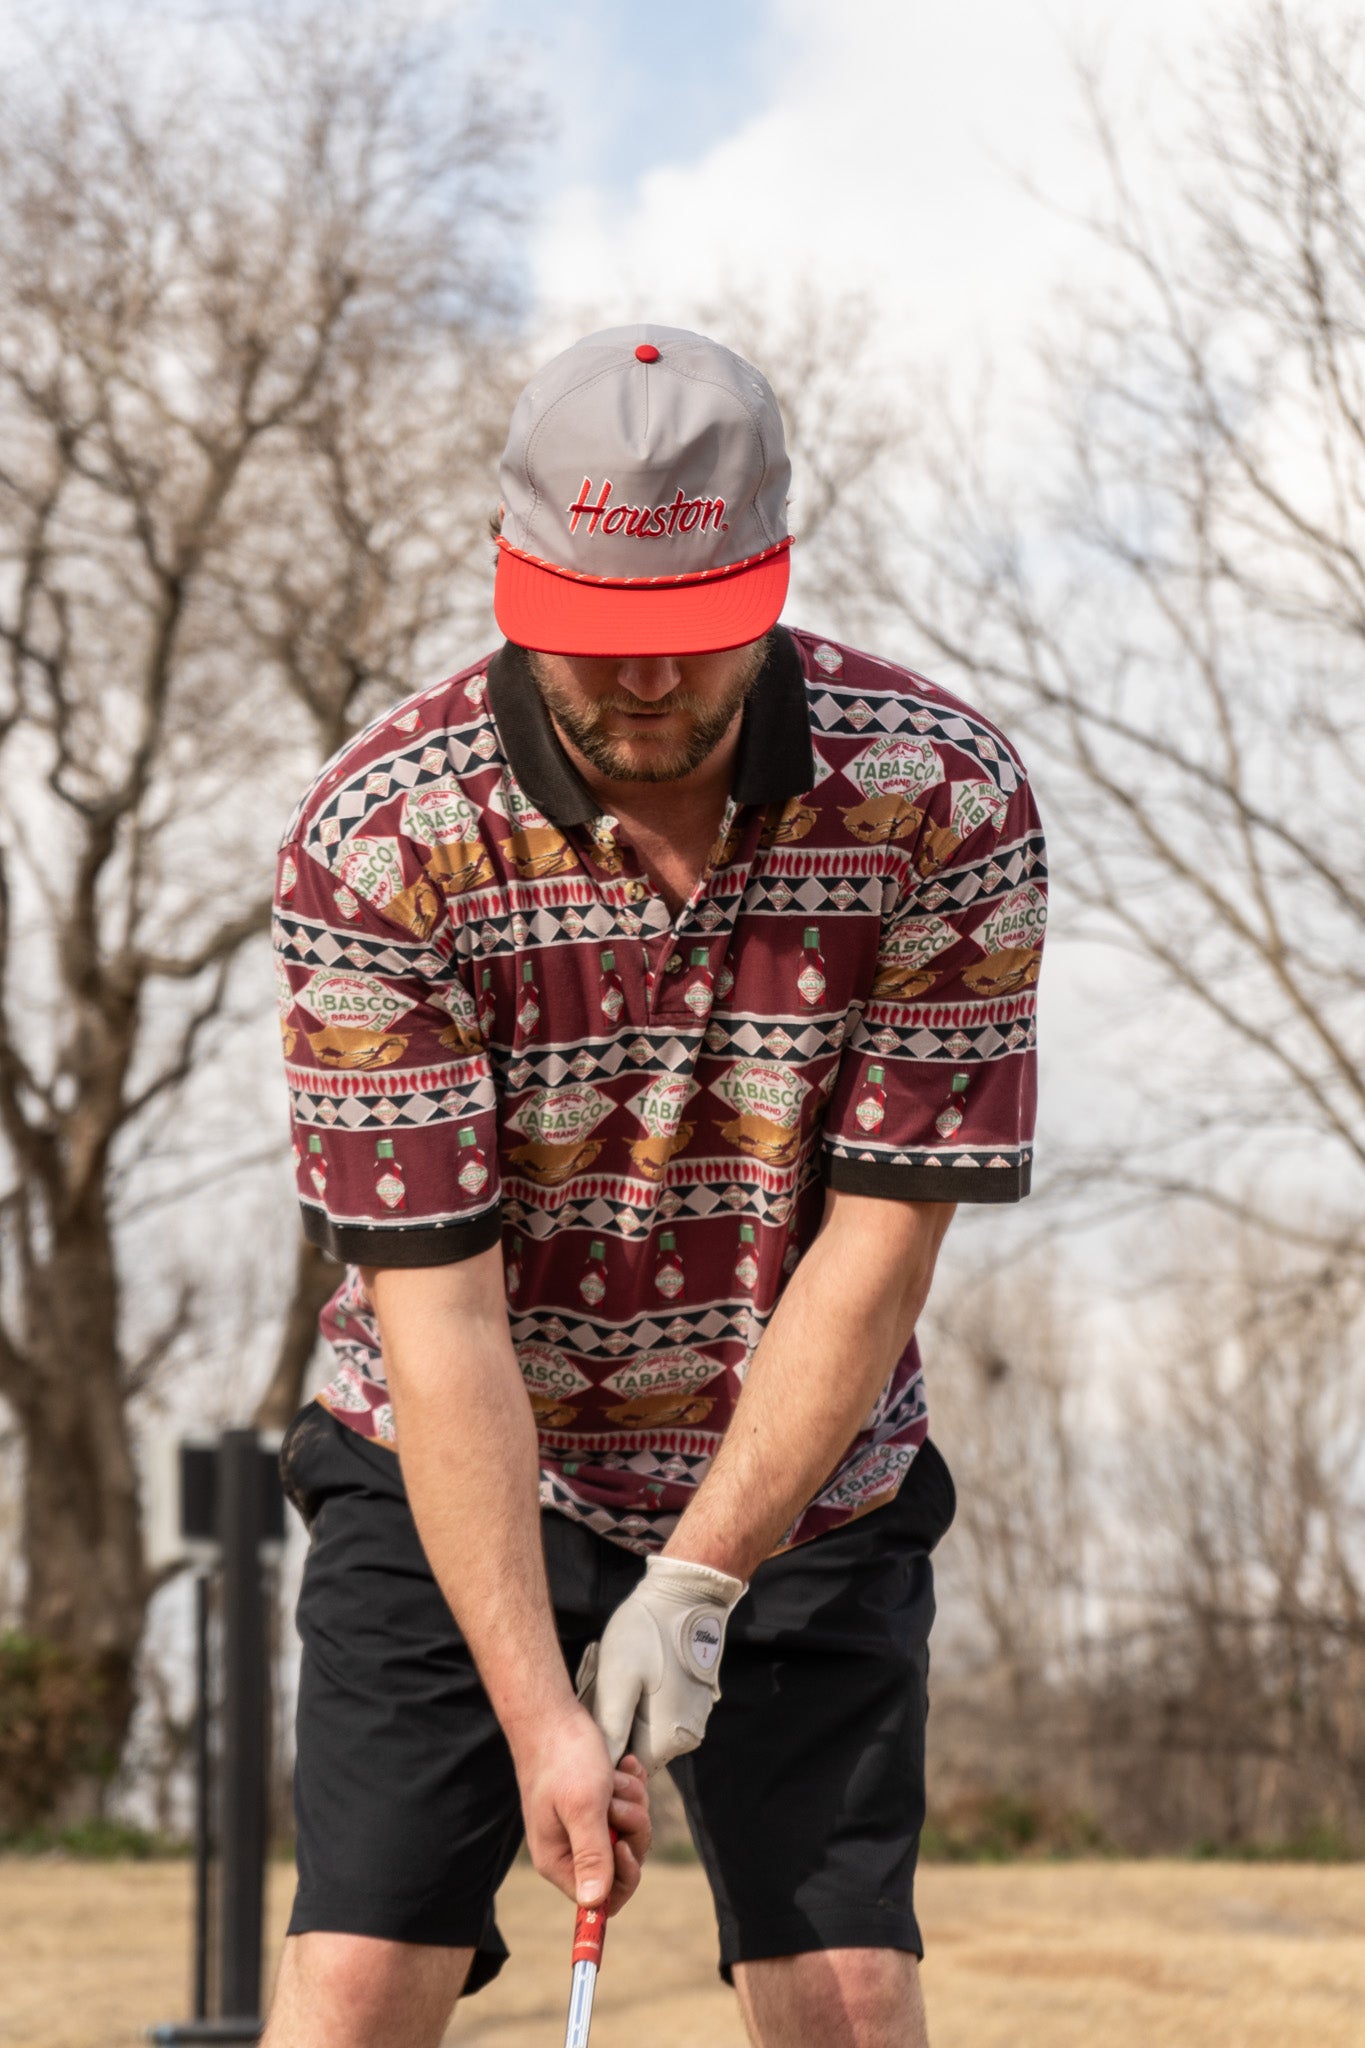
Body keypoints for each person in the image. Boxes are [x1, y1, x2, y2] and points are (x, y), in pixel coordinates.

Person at [264, 324, 1047, 2048]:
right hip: (452, 1449)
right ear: (514, 572)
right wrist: (548, 1720)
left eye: (690, 641)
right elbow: (443, 1315)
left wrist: (695, 1582)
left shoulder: (940, 797)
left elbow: (876, 1248)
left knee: (842, 1996)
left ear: (771, 577)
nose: (641, 686)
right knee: (353, 1990)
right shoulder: (380, 840)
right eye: (601, 636)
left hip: (799, 1458)